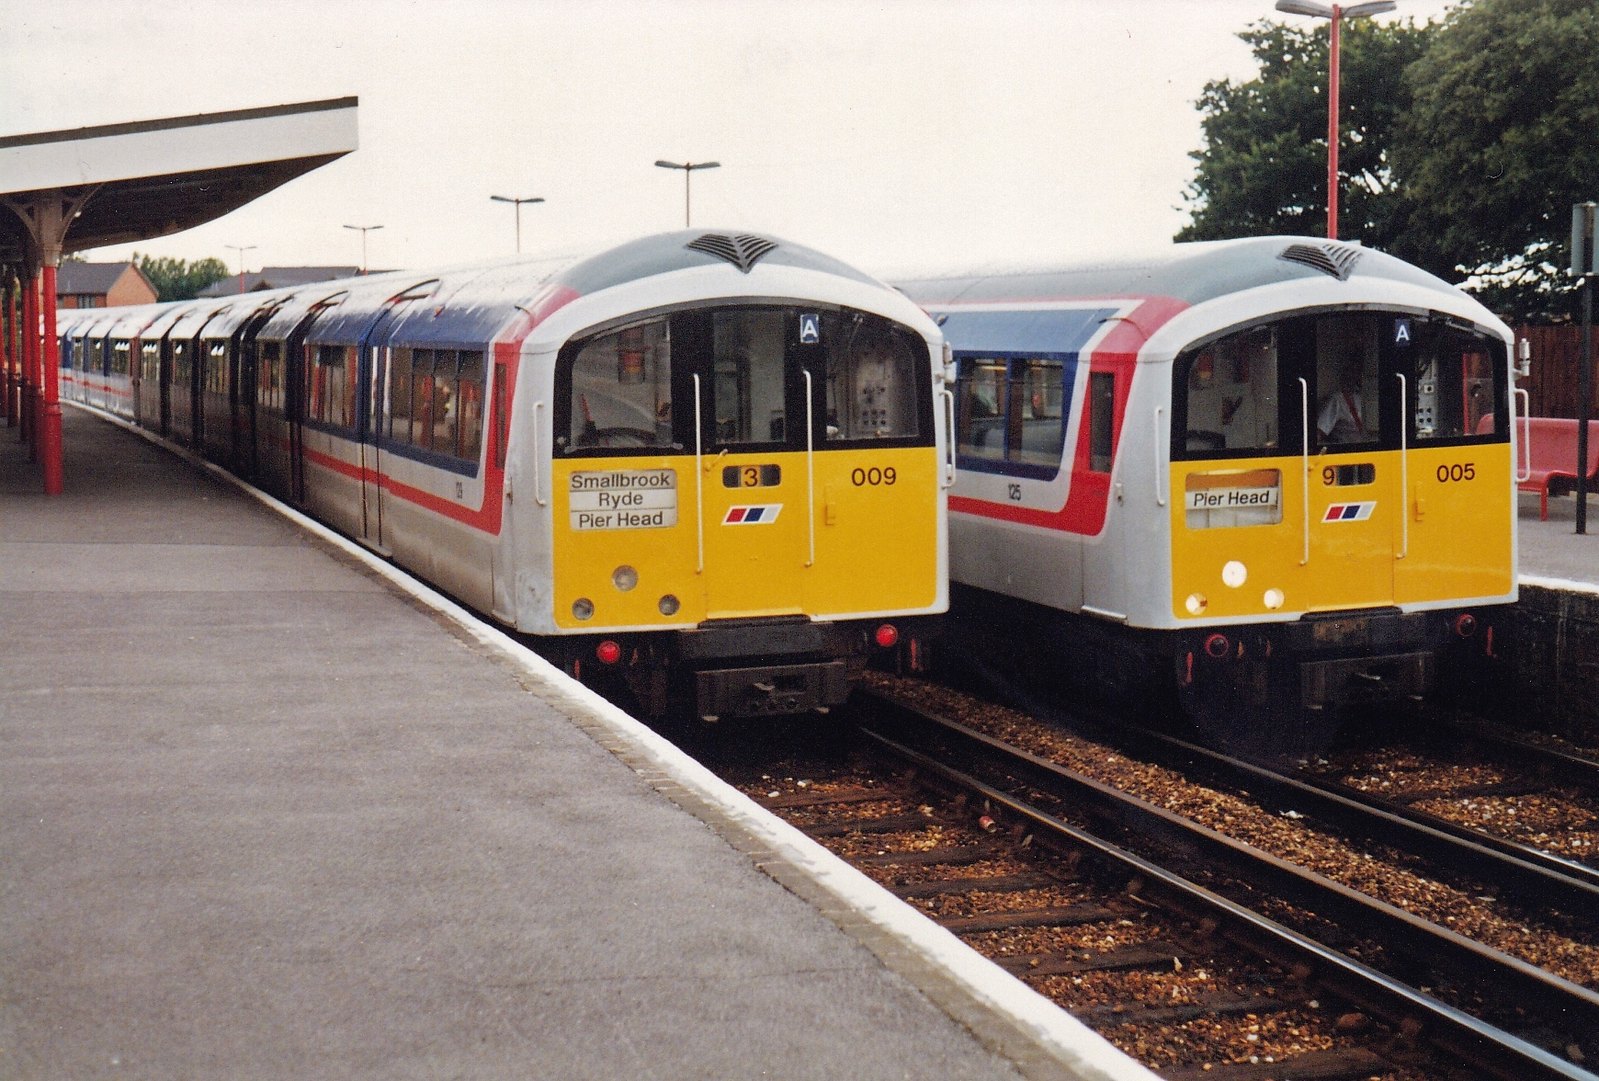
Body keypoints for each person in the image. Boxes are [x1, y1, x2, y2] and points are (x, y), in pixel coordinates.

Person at [1317, 358, 1368, 442]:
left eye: (1358, 373)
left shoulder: (1365, 397)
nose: (1355, 376)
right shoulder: (1337, 399)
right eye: (1352, 372)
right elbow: (1321, 430)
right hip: (1345, 449)